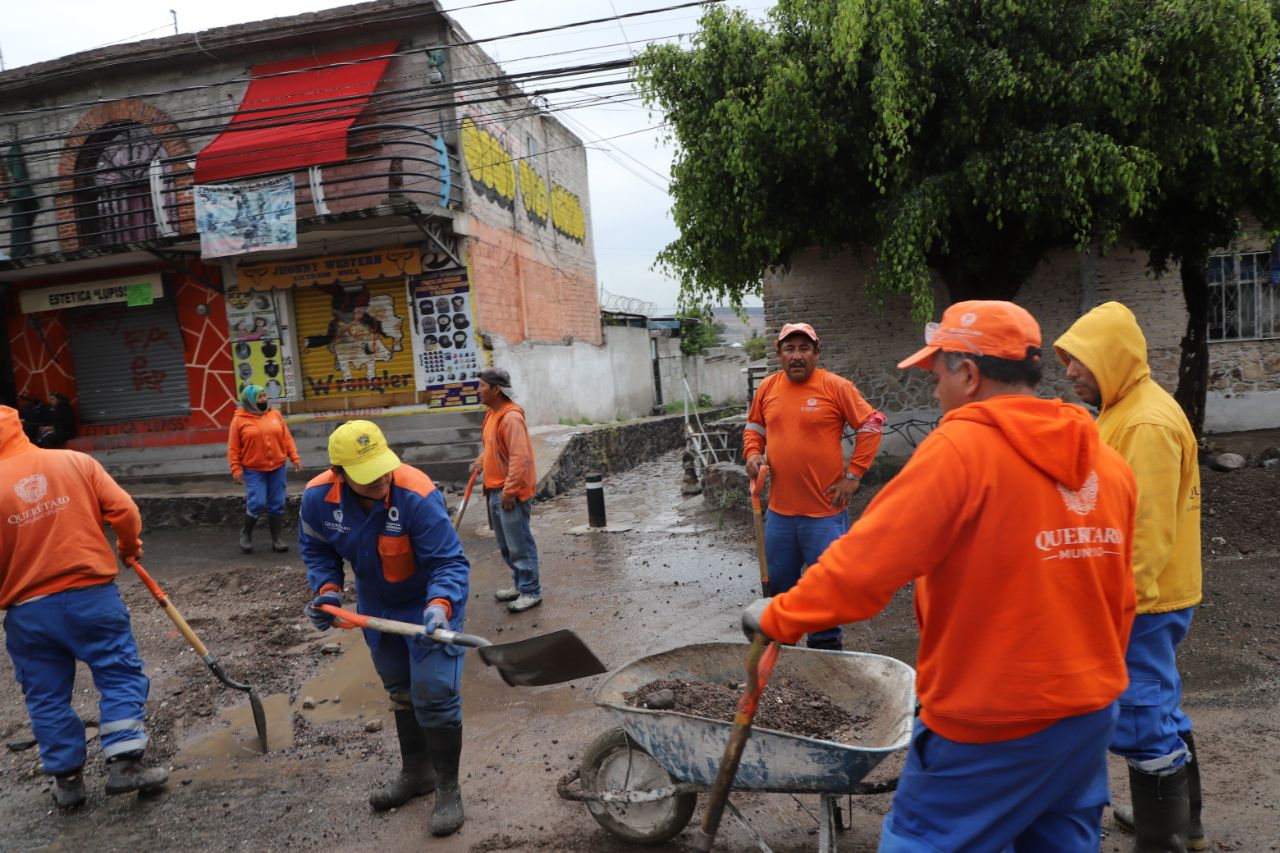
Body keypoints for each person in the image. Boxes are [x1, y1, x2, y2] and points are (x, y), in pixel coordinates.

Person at [742, 301, 1138, 851]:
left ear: (969, 374)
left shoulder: (959, 452)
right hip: (1088, 716)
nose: (934, 392)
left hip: (988, 723)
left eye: (936, 376)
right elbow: (1121, 597)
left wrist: (779, 616)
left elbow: (863, 567)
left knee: (919, 843)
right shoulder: (1107, 462)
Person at [1056, 301, 1205, 852]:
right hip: (1147, 594)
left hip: (1144, 599)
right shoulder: (1124, 410)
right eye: (1067, 360)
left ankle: (1161, 840)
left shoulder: (1144, 423)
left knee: (1142, 715)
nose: (1070, 371)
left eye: (1081, 359)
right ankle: (1184, 826)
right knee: (1159, 705)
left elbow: (1146, 529)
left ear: (1113, 358)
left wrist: (1120, 606)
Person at [300, 420, 471, 837]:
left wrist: (440, 606)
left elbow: (448, 562)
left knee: (435, 692)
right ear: (339, 473)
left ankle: (448, 789)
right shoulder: (317, 499)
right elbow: (318, 550)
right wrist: (327, 591)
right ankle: (417, 774)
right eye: (367, 474)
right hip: (377, 605)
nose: (380, 479)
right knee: (400, 689)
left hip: (429, 602)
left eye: (382, 467)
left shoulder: (416, 493)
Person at [0, 405, 168, 810]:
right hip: (91, 598)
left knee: (45, 696)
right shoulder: (75, 462)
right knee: (118, 673)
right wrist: (128, 547)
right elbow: (124, 511)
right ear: (18, 428)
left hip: (27, 611)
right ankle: (125, 763)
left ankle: (68, 782)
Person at [742, 322, 886, 650]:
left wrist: (854, 476)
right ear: (779, 354)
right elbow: (754, 427)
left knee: (824, 591)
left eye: (804, 348)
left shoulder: (836, 387)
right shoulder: (767, 388)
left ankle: (825, 651)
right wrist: (752, 453)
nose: (797, 355)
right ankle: (784, 651)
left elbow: (872, 424)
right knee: (780, 589)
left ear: (816, 353)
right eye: (790, 348)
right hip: (779, 514)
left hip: (825, 514)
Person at [470, 367, 541, 613]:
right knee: (506, 545)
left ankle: (531, 590)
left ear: (496, 389)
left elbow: (520, 458)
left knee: (520, 544)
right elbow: (491, 446)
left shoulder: (511, 418)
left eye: (482, 385)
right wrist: (481, 462)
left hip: (510, 492)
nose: (478, 390)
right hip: (495, 490)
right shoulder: (492, 414)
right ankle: (520, 584)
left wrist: (510, 492)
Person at [227, 383, 302, 554]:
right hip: (254, 469)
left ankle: (276, 539)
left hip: (278, 467)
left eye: (264, 396)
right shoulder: (238, 420)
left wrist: (295, 458)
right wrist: (236, 470)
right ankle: (246, 533)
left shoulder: (275, 415)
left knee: (277, 503)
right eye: (259, 397)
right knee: (257, 503)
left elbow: (286, 438)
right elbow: (233, 448)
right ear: (249, 400)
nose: (263, 399)